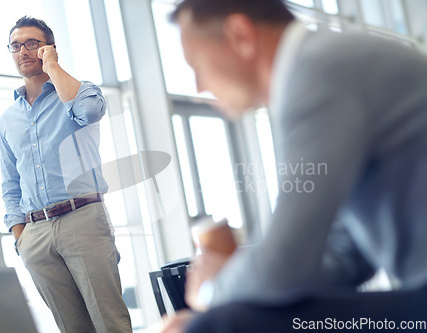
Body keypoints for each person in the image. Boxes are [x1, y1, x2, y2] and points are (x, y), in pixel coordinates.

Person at [163, 0, 427, 331]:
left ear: (241, 35)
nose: (199, 85)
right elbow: (349, 258)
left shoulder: (320, 71)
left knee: (219, 324)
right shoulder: (329, 63)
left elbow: (283, 267)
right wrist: (245, 278)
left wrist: (212, 291)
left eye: (197, 65)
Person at [0, 16, 132, 333]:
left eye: (33, 43)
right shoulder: (8, 118)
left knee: (110, 322)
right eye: (16, 46)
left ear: (50, 49)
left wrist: (54, 67)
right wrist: (21, 236)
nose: (24, 51)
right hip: (35, 233)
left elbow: (88, 112)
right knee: (72, 328)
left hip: (82, 219)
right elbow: (10, 183)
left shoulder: (80, 91)